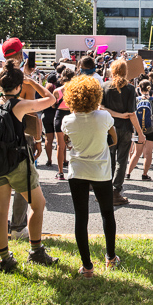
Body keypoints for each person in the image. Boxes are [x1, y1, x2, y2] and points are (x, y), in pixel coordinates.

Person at [0, 59, 58, 273]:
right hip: (16, 163)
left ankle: (4, 258)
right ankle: (36, 251)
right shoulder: (18, 105)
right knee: (38, 204)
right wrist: (33, 83)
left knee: (0, 211)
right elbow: (51, 99)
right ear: (18, 86)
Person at [61, 75, 119, 278]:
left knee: (81, 218)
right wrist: (104, 145)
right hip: (101, 170)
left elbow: (68, 141)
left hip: (77, 171)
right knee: (107, 213)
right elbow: (114, 138)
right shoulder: (103, 117)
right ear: (96, 95)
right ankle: (110, 258)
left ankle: (87, 266)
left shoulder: (67, 120)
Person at [101, 59, 146, 206]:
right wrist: (140, 133)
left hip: (109, 127)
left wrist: (115, 115)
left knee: (109, 159)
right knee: (122, 160)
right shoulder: (130, 88)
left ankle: (106, 191)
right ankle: (116, 191)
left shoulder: (105, 86)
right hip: (125, 128)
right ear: (125, 71)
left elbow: (100, 108)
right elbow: (132, 113)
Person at [127, 80, 153, 181]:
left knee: (137, 152)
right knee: (148, 153)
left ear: (139, 89)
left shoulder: (136, 100)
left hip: (138, 129)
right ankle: (144, 174)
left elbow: (131, 114)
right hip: (151, 130)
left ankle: (128, 173)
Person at [52, 68, 75, 179]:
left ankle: (60, 172)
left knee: (60, 146)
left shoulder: (57, 91)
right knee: (74, 146)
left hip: (59, 116)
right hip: (72, 116)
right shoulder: (76, 90)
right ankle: (74, 170)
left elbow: (52, 105)